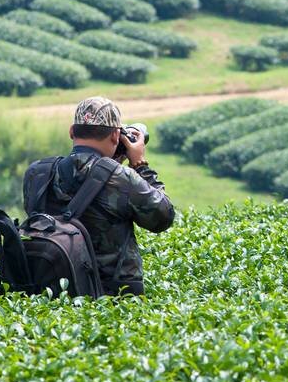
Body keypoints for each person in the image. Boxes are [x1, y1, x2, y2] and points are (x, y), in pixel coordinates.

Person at [22, 97, 175, 296]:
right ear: (115, 136)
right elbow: (163, 217)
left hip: (49, 291)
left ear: (71, 131)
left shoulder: (37, 173)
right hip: (111, 298)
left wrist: (107, 165)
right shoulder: (120, 178)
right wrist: (140, 165)